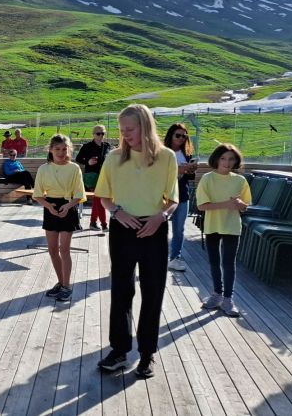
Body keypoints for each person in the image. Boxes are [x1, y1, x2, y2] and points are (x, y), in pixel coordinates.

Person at [95, 104, 178, 379]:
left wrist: (160, 217)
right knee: (121, 290)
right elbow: (104, 196)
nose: (125, 134)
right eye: (122, 130)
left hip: (154, 229)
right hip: (122, 228)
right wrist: (118, 212)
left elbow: (173, 200)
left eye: (130, 129)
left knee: (153, 292)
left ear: (145, 126)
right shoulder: (114, 157)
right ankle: (119, 350)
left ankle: (147, 353)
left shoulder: (166, 157)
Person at [196, 144, 251, 317]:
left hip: (232, 226)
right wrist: (227, 204)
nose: (227, 163)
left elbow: (245, 206)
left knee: (229, 263)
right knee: (214, 262)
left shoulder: (240, 181)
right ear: (217, 159)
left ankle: (228, 299)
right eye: (223, 158)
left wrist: (241, 206)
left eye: (231, 159)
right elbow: (201, 205)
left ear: (236, 161)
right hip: (212, 226)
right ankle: (216, 294)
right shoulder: (207, 178)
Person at [33, 135, 86, 302]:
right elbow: (38, 195)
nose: (61, 153)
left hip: (67, 207)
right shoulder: (43, 169)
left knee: (64, 249)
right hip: (50, 208)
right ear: (50, 150)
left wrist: (68, 206)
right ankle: (61, 283)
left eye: (64, 149)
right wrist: (49, 207)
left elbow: (79, 194)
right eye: (57, 149)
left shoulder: (74, 168)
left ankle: (67, 286)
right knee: (52, 249)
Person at [163, 123, 197, 272]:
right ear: (170, 135)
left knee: (179, 229)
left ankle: (175, 257)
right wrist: (179, 169)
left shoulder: (187, 154)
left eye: (184, 136)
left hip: (182, 194)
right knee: (159, 227)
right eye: (178, 135)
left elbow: (189, 178)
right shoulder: (162, 153)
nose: (181, 138)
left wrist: (191, 169)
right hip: (163, 196)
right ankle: (157, 256)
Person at [75, 125, 111, 231]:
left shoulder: (107, 146)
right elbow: (78, 159)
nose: (101, 136)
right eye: (98, 133)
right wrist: (88, 162)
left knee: (97, 199)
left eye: (102, 133)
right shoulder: (87, 146)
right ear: (93, 134)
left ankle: (93, 222)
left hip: (104, 176)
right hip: (92, 176)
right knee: (99, 198)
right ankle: (104, 224)